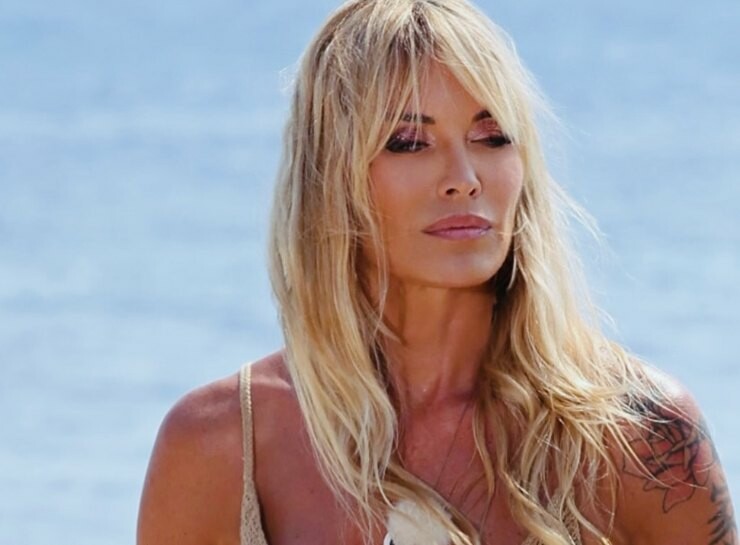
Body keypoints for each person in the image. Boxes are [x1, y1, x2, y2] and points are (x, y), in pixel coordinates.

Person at [136, 0, 737, 544]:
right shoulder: (219, 446)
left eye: (492, 136)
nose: (464, 178)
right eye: (408, 142)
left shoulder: (643, 436)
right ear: (331, 179)